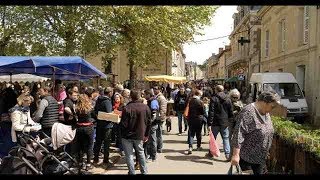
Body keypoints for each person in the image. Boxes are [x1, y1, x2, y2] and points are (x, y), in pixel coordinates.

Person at [231, 91, 280, 175]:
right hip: (247, 159)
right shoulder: (248, 112)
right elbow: (238, 134)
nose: (273, 109)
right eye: (273, 106)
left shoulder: (265, 112)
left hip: (260, 158)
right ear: (264, 102)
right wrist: (236, 155)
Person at [120, 90, 151, 175]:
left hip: (127, 135)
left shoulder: (127, 108)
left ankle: (132, 172)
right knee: (140, 153)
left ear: (131, 97)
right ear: (140, 96)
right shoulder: (145, 107)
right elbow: (149, 122)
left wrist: (121, 133)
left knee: (129, 155)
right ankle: (144, 172)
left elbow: (123, 124)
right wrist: (146, 134)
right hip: (139, 134)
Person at [208, 85, 233, 161]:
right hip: (224, 122)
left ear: (216, 90)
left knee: (213, 138)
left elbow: (211, 112)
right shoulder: (228, 99)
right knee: (225, 138)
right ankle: (228, 155)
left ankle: (211, 153)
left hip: (215, 122)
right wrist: (230, 120)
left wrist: (209, 123)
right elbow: (230, 111)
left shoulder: (213, 98)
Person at [93, 87, 114, 169]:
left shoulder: (98, 99)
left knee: (98, 142)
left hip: (99, 124)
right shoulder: (107, 101)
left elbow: (95, 111)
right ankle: (105, 160)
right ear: (110, 93)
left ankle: (95, 159)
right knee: (106, 143)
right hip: (106, 125)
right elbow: (109, 113)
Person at [74, 94, 95, 171]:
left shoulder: (77, 109)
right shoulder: (89, 108)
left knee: (80, 146)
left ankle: (80, 163)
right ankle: (88, 164)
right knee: (89, 146)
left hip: (79, 128)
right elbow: (95, 117)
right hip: (88, 128)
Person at [187, 89, 205, 154]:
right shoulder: (200, 102)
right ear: (199, 95)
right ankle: (198, 146)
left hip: (191, 118)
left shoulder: (190, 100)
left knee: (191, 134)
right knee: (198, 133)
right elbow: (203, 112)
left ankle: (190, 147)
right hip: (198, 119)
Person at [144, 89, 160, 162]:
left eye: (145, 94)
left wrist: (150, 122)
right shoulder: (151, 101)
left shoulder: (153, 101)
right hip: (151, 124)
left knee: (152, 140)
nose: (144, 96)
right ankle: (151, 155)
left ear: (148, 94)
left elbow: (154, 113)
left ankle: (153, 156)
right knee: (150, 140)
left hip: (152, 124)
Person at [153, 86, 167, 153]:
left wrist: (161, 118)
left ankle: (159, 148)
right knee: (157, 133)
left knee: (159, 134)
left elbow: (163, 109)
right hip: (156, 117)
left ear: (159, 90)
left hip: (159, 118)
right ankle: (157, 147)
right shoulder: (156, 97)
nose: (154, 90)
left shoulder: (161, 98)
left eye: (155, 89)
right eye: (153, 89)